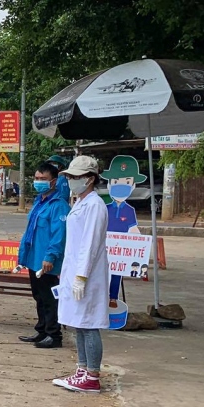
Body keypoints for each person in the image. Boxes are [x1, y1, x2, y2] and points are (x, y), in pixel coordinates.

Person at [53, 156, 110, 393]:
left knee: (88, 323)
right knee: (77, 322)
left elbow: (90, 244)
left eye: (76, 177)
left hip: (87, 273)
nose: (71, 181)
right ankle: (82, 368)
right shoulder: (79, 202)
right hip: (74, 271)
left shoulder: (95, 206)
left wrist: (81, 276)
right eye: (69, 177)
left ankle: (92, 375)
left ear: (90, 179)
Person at [16, 162, 71, 348]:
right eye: (37, 178)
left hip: (47, 261)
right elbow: (30, 232)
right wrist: (23, 256)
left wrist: (51, 256)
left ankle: (54, 335)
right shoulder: (40, 202)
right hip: (34, 259)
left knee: (49, 298)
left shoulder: (59, 205)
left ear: (53, 181)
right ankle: (41, 331)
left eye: (43, 179)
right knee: (39, 296)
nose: (38, 182)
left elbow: (59, 235)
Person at [101, 155, 146, 308]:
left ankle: (112, 297)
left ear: (133, 186)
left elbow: (133, 229)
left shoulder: (130, 210)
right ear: (109, 185)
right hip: (103, 247)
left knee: (116, 273)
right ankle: (100, 297)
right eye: (115, 182)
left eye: (126, 182)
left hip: (120, 251)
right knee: (101, 273)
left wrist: (142, 247)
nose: (120, 186)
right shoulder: (104, 208)